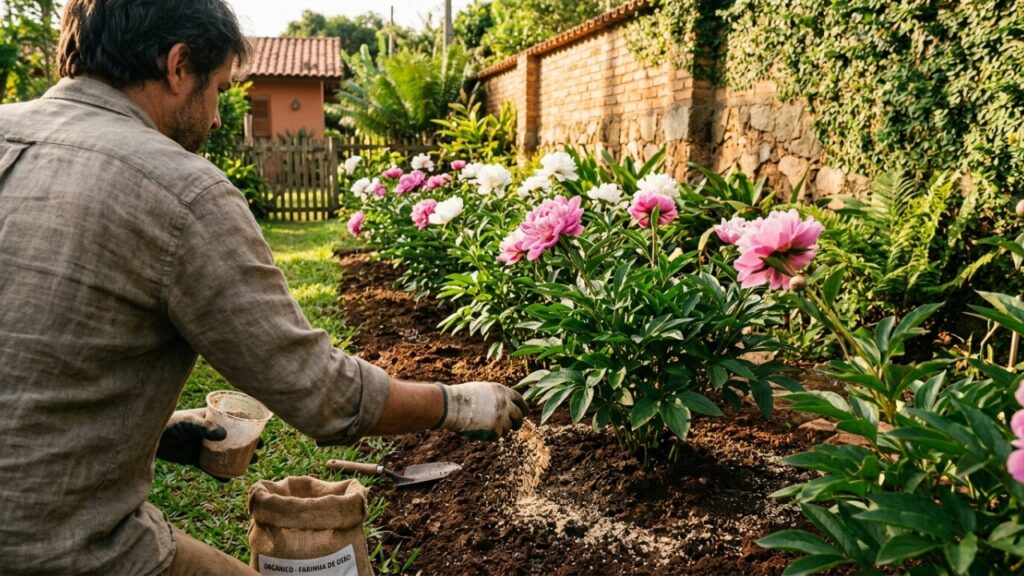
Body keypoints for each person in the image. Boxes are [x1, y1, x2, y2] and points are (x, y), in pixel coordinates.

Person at [0, 1, 527, 574]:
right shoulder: (179, 191)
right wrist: (462, 404)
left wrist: (162, 433)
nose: (220, 118)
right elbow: (321, 394)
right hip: (56, 548)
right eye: (220, 89)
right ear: (179, 66)